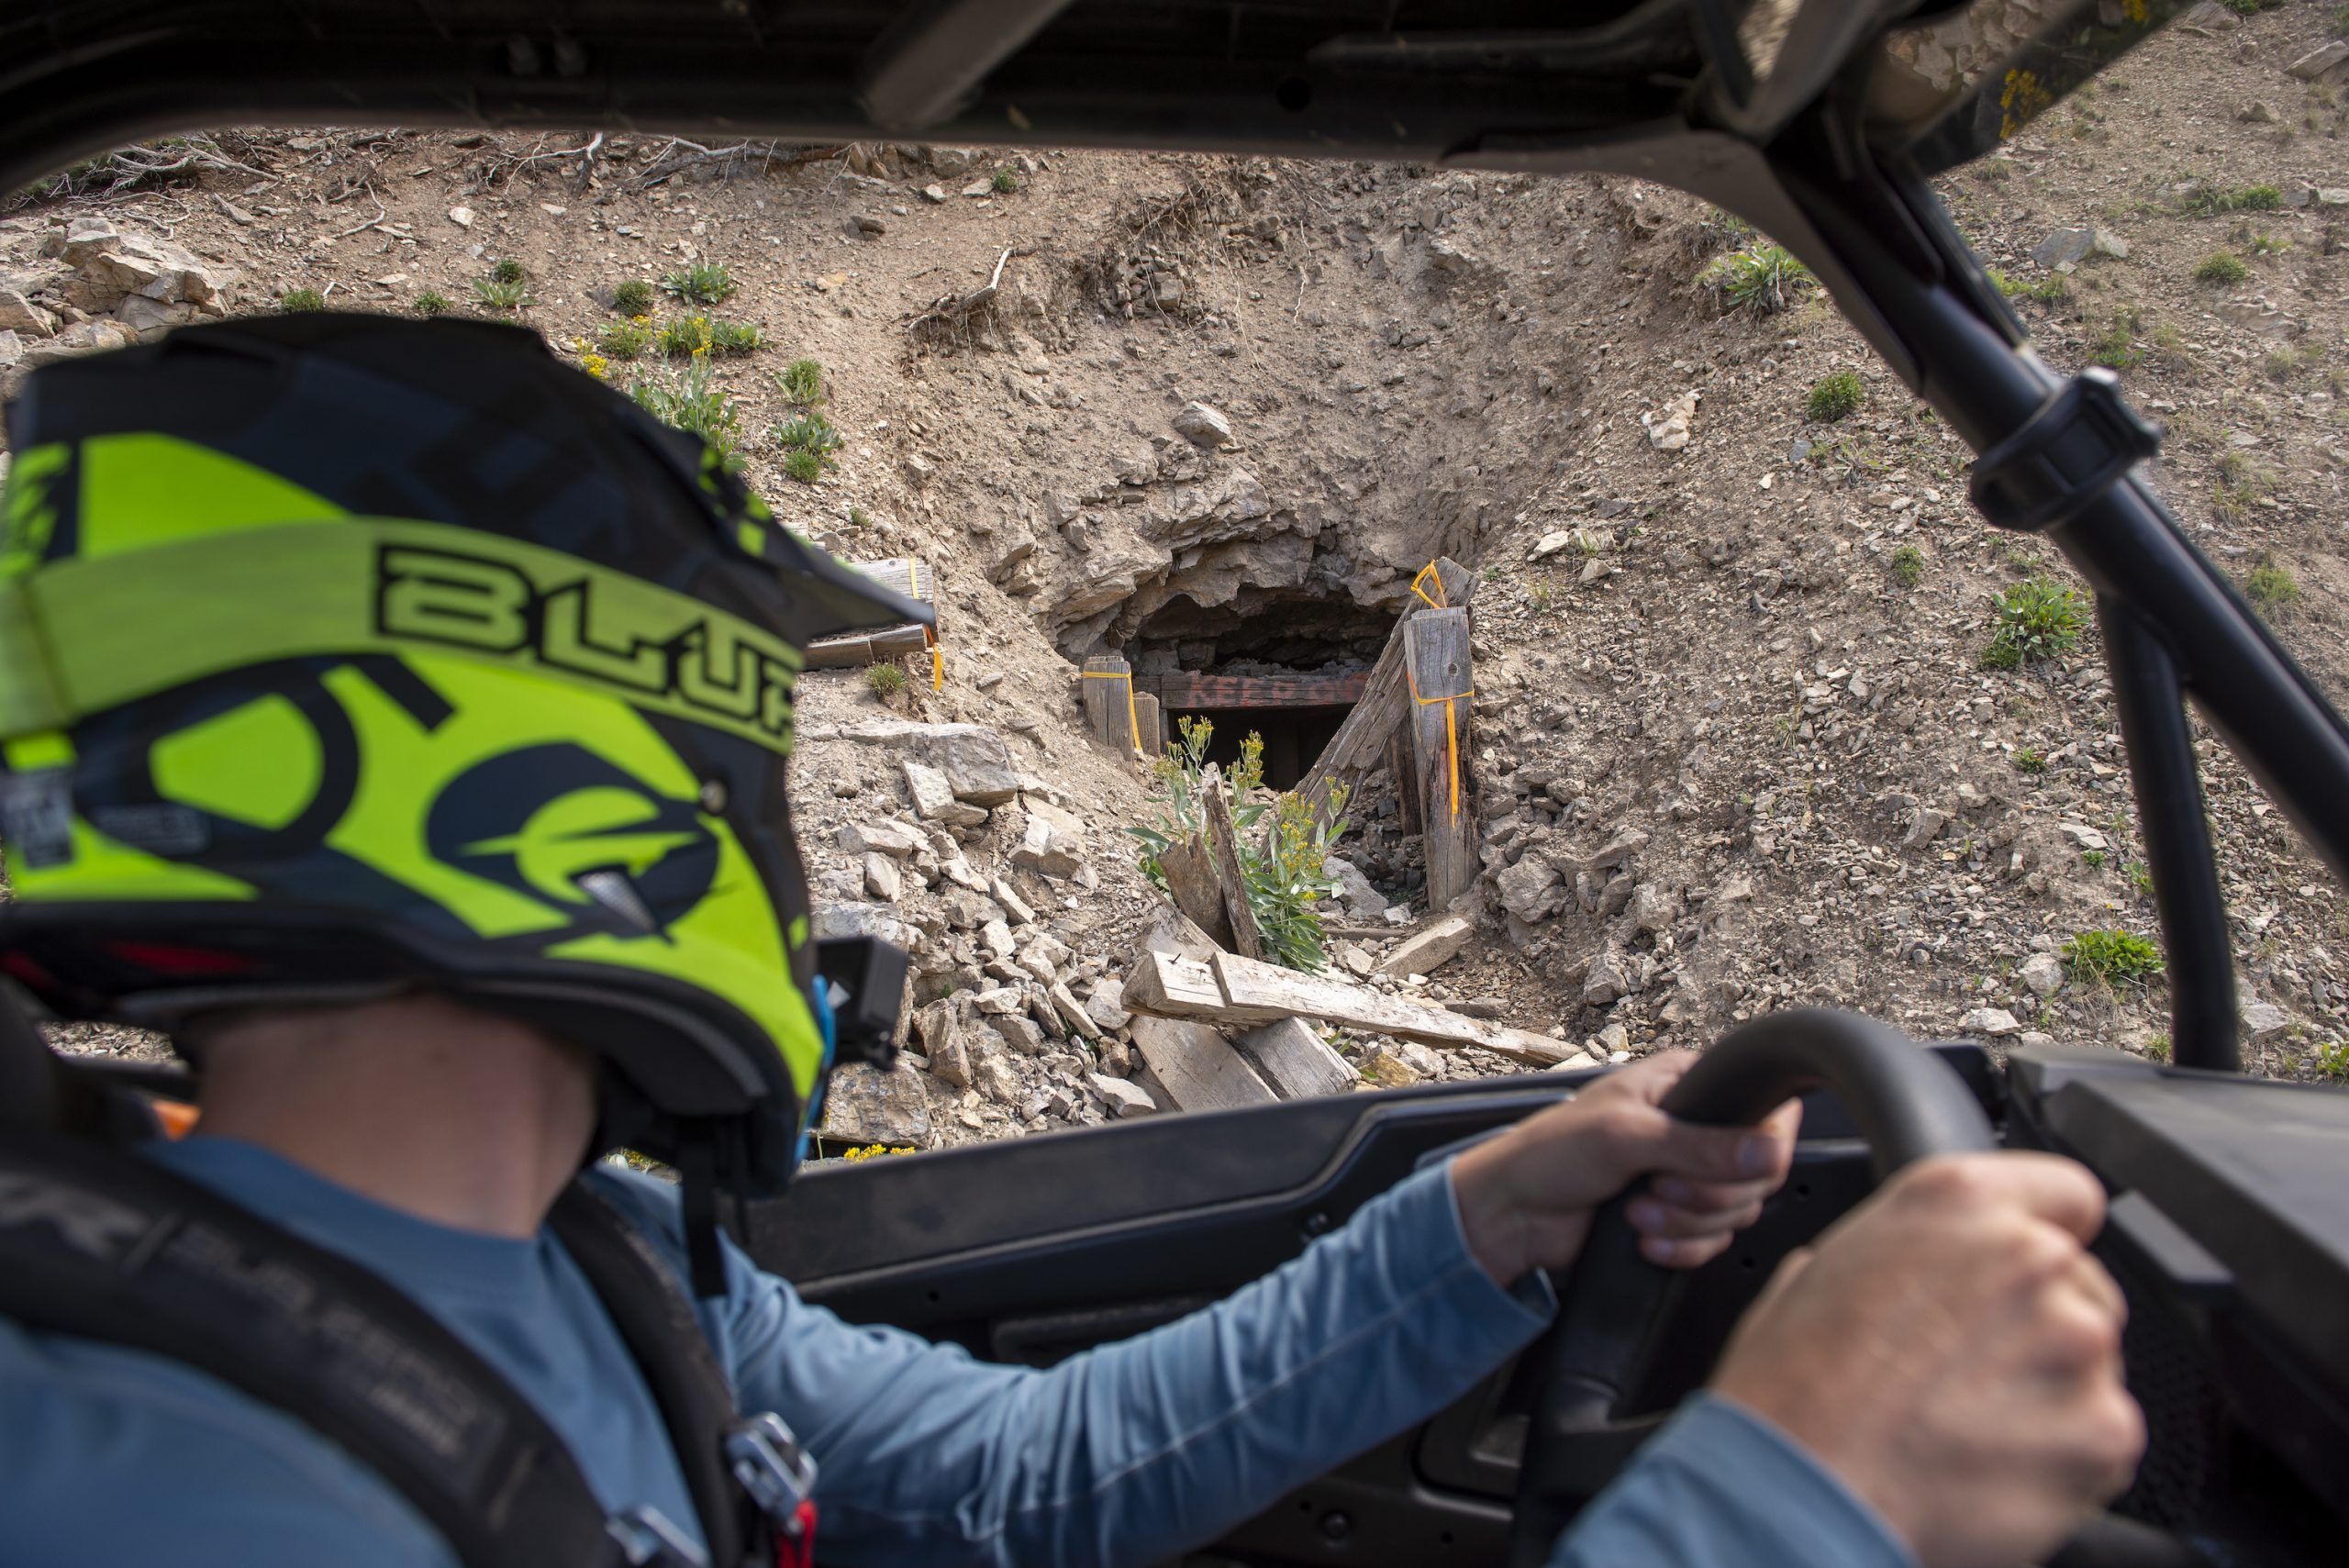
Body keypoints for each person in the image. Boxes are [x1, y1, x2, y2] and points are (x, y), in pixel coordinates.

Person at [0, 315, 2143, 1568]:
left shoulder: (598, 1261)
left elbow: (1042, 1477)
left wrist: (1483, 1206)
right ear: (538, 749)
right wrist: (1799, 1492)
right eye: (739, 734)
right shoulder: (157, 1481)